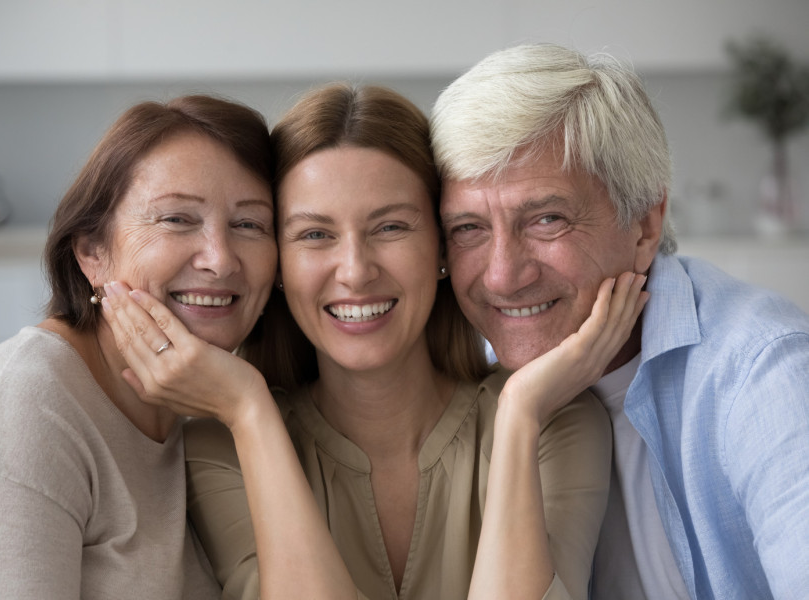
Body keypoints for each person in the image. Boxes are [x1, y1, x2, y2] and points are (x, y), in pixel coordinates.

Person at [100, 82, 648, 600]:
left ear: (441, 247)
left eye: (390, 227)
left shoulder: (553, 420)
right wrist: (249, 411)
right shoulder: (221, 448)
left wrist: (521, 413)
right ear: (280, 262)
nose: (356, 272)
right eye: (315, 235)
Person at [430, 42, 809, 600]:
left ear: (645, 225)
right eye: (468, 228)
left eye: (547, 219)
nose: (503, 277)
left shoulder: (762, 371)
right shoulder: (462, 382)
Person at [0, 94, 279, 598]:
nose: (220, 259)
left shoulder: (207, 409)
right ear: (92, 252)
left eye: (249, 225)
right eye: (176, 219)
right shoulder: (21, 417)